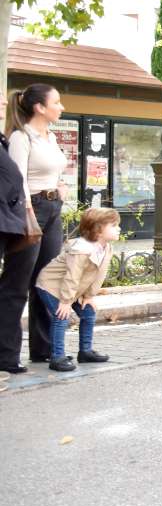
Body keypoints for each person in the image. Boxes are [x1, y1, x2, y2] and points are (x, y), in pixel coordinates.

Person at [0, 84, 69, 372]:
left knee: (46, 281)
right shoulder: (20, 137)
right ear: (40, 107)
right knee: (16, 284)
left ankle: (42, 350)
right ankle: (6, 356)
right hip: (30, 212)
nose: (61, 106)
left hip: (52, 210)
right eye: (57, 102)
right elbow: (17, 179)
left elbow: (52, 171)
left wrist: (60, 188)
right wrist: (28, 210)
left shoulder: (50, 137)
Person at [33, 207, 120, 372]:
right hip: (51, 285)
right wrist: (66, 302)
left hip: (71, 288)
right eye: (114, 225)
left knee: (88, 313)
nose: (118, 229)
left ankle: (85, 352)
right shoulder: (81, 249)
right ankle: (57, 357)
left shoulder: (106, 248)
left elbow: (99, 274)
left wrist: (88, 296)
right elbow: (72, 276)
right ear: (98, 230)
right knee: (61, 317)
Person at [0, 91, 30, 379]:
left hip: (8, 222)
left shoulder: (3, 140)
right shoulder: (16, 141)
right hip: (8, 220)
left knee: (15, 288)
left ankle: (6, 355)